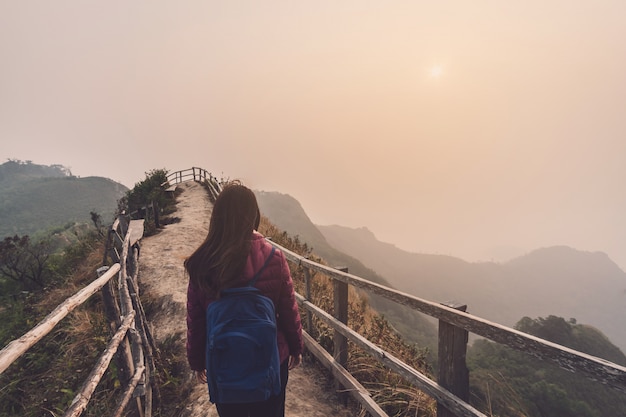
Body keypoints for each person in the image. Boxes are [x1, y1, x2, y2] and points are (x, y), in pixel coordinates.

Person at [185, 181, 303, 417]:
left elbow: (196, 321)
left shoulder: (201, 263)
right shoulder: (274, 258)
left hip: (224, 363)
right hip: (271, 359)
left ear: (217, 217)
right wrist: (296, 347)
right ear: (253, 215)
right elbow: (288, 309)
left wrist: (197, 362)